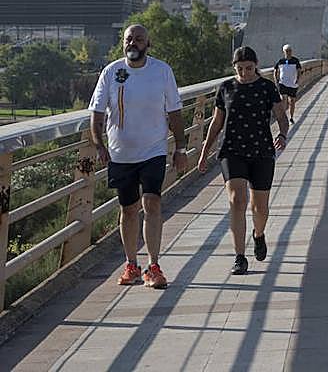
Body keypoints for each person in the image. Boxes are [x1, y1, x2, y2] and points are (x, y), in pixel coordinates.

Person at [89, 24, 187, 290]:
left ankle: (153, 266)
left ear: (148, 43)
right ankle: (131, 264)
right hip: (121, 154)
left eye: (139, 39)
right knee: (129, 209)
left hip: (153, 150)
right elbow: (97, 114)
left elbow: (175, 112)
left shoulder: (161, 71)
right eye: (129, 39)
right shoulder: (111, 72)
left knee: (152, 203)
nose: (133, 43)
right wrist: (99, 145)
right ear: (123, 43)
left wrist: (180, 148)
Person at [199, 46, 287, 275]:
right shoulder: (226, 88)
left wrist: (283, 134)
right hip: (232, 151)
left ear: (256, 65)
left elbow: (280, 115)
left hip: (261, 152)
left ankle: (258, 235)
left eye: (249, 68)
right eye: (240, 69)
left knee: (260, 207)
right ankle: (239, 256)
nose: (245, 73)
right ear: (234, 67)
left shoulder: (267, 88)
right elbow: (216, 123)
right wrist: (204, 152)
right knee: (237, 200)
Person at [274, 44, 302, 123]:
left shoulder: (295, 61)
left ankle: (291, 117)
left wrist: (298, 79)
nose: (289, 52)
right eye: (287, 51)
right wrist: (276, 79)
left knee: (292, 101)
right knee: (283, 100)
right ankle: (283, 117)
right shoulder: (281, 61)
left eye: (290, 50)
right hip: (282, 83)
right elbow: (275, 70)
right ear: (284, 52)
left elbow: (299, 70)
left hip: (293, 84)